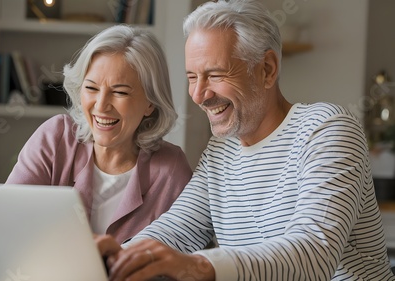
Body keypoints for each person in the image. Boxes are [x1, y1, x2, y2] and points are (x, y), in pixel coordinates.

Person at [96, 1, 395, 280]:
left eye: (215, 74)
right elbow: (177, 229)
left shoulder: (327, 129)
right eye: (191, 77)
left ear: (267, 69)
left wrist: (199, 265)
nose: (199, 95)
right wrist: (116, 258)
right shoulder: (221, 151)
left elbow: (314, 253)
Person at [6, 25, 192, 244]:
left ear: (150, 103)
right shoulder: (55, 137)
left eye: (120, 92)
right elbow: (7, 220)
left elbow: (183, 261)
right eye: (92, 88)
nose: (101, 106)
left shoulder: (171, 170)